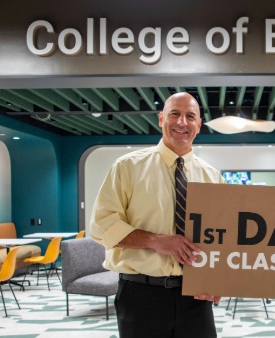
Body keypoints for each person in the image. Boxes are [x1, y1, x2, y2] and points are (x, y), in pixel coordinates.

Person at [91, 92, 225, 338]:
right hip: (141, 295)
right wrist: (156, 241)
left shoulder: (212, 176)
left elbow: (221, 236)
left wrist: (216, 279)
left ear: (198, 125)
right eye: (174, 114)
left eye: (190, 116)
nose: (182, 122)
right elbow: (102, 226)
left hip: (195, 296)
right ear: (161, 118)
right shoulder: (127, 167)